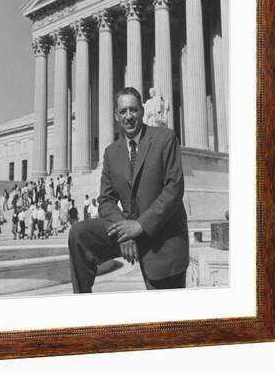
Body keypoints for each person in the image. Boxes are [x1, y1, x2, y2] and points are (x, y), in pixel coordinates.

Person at [68, 86, 189, 293]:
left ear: (142, 111)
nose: (129, 116)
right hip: (128, 229)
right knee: (79, 234)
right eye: (123, 112)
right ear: (116, 116)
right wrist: (126, 231)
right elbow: (105, 200)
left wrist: (140, 225)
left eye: (133, 110)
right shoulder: (111, 152)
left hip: (161, 233)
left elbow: (174, 189)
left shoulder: (164, 138)